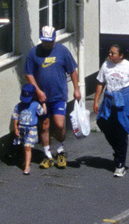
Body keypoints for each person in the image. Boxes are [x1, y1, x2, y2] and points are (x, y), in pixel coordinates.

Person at [23, 25, 80, 169]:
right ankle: (47, 155)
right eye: (44, 41)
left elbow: (72, 70)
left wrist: (77, 88)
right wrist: (38, 91)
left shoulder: (62, 51)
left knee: (60, 124)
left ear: (54, 38)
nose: (47, 44)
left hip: (59, 95)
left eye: (49, 41)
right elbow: (29, 73)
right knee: (44, 125)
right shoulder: (34, 53)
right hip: (41, 98)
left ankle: (60, 150)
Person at [92, 43, 129, 178]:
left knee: (121, 131)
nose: (110, 55)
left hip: (124, 99)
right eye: (109, 52)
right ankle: (117, 150)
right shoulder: (106, 65)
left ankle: (120, 164)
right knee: (104, 124)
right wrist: (96, 101)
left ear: (121, 55)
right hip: (109, 99)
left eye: (113, 53)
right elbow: (100, 83)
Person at [9, 85, 41, 175]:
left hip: (31, 128)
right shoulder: (19, 106)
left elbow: (42, 113)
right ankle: (26, 160)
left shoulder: (35, 105)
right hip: (22, 128)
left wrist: (44, 104)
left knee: (27, 146)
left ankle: (27, 166)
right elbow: (15, 117)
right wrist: (15, 128)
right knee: (24, 145)